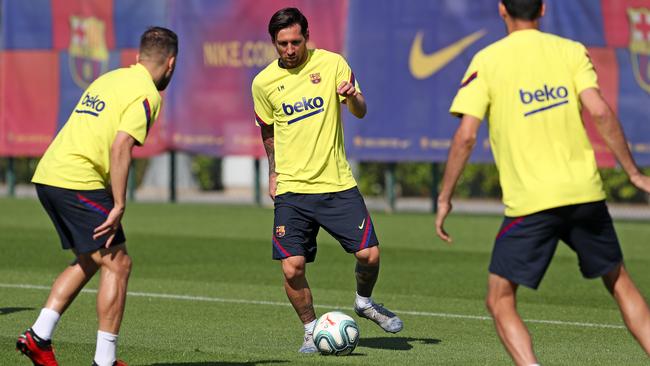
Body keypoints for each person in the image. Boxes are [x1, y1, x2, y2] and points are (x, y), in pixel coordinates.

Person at [435, 0, 650, 364]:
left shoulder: (487, 60)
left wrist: (444, 198)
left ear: (502, 9)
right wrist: (632, 172)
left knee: (499, 298)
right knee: (619, 282)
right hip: (585, 193)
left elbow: (466, 136)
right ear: (543, 9)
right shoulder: (570, 51)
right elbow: (599, 110)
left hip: (532, 202)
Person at [16, 27, 178, 366]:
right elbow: (121, 146)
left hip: (50, 174)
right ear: (171, 63)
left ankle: (38, 336)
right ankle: (104, 361)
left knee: (93, 258)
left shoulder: (111, 78)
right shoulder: (148, 94)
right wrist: (119, 203)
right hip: (77, 179)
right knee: (119, 263)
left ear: (137, 57)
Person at [251, 7, 403, 353]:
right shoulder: (263, 83)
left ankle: (364, 302)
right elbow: (268, 131)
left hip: (336, 183)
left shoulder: (333, 63)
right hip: (293, 189)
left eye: (295, 41)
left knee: (370, 255)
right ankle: (309, 330)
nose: (289, 49)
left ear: (306, 36)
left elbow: (361, 109)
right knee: (292, 268)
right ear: (273, 42)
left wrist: (352, 96)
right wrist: (274, 172)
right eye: (282, 43)